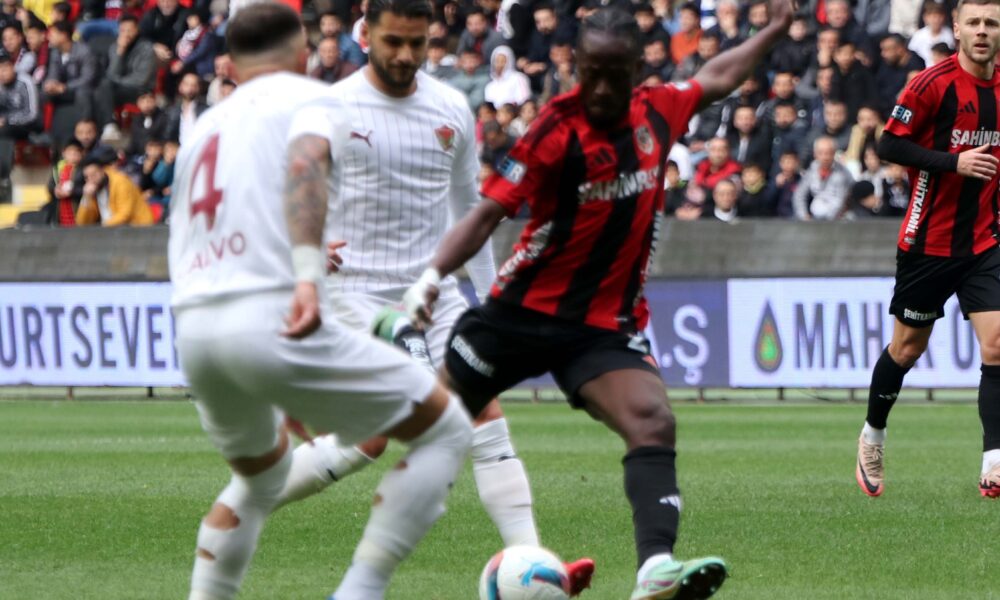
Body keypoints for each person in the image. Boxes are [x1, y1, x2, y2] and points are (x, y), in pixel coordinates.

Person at [402, 2, 795, 598]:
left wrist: (773, 30)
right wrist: (431, 276)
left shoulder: (658, 109)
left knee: (653, 420)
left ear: (637, 70)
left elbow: (718, 75)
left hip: (600, 324)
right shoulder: (553, 130)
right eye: (591, 74)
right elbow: (486, 213)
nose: (603, 88)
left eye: (616, 74)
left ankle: (654, 569)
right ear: (576, 68)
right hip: (519, 312)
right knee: (428, 428)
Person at [272, 0, 594, 594]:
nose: (404, 55)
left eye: (416, 44)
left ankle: (536, 563)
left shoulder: (449, 108)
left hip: (434, 292)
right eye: (393, 42)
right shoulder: (328, 107)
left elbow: (470, 210)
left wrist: (493, 299)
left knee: (481, 415)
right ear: (366, 34)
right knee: (402, 426)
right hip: (357, 294)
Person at [168, 5, 473, 600]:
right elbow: (307, 163)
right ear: (302, 51)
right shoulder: (311, 98)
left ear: (231, 64)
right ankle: (360, 591)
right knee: (446, 429)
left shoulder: (204, 127)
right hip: (267, 316)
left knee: (261, 482)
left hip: (196, 329)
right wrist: (306, 275)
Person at [856, 0, 1000, 500]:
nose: (982, 31)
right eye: (973, 22)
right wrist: (953, 162)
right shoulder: (930, 84)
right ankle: (873, 434)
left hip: (985, 240)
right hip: (927, 244)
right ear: (956, 28)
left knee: (997, 343)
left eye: (991, 23)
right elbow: (889, 146)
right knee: (907, 349)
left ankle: (994, 460)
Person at [93, 14, 157, 139]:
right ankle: (106, 128)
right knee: (99, 90)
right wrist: (120, 52)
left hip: (141, 90)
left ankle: (109, 126)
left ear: (137, 30)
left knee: (105, 87)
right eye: (123, 30)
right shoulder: (115, 47)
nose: (126, 34)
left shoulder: (146, 48)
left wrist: (117, 81)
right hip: (119, 88)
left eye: (129, 30)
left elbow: (141, 80)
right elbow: (111, 74)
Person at [76, 147, 154, 226]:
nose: (91, 179)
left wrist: (102, 228)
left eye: (94, 174)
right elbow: (82, 223)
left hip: (139, 227)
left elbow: (125, 214)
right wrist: (86, 197)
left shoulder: (120, 182)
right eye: (87, 177)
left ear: (102, 170)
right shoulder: (93, 190)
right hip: (113, 229)